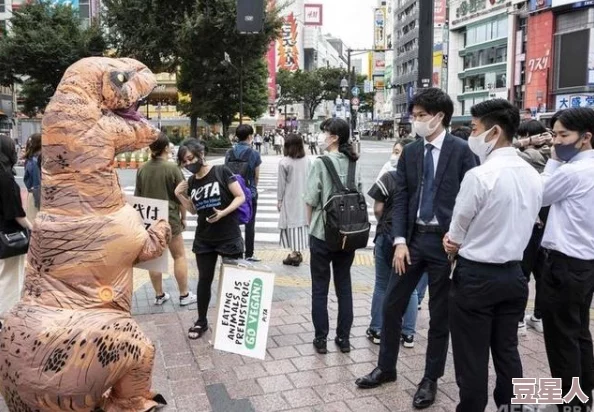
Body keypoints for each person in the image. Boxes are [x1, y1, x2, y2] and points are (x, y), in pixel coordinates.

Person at [355, 88, 477, 411]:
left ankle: (430, 378)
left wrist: (459, 242)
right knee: (392, 303)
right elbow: (402, 199)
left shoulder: (462, 152)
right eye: (415, 115)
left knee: (440, 314)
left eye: (421, 115)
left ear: (440, 117)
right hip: (412, 240)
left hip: (444, 243)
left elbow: (471, 201)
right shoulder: (410, 153)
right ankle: (386, 367)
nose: (417, 120)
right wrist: (398, 241)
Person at [443, 99, 543, 412]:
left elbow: (455, 234)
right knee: (507, 351)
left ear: (494, 131)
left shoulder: (480, 176)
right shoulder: (532, 175)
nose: (471, 135)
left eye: (474, 128)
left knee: (471, 358)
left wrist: (454, 243)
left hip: (476, 277)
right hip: (514, 275)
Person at [539, 107, 594, 412]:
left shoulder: (573, 171)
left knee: (561, 339)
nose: (556, 141)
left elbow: (540, 195)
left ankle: (569, 404)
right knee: (579, 333)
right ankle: (583, 395)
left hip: (564, 263)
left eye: (563, 135)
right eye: (555, 134)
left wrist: (553, 162)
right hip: (585, 264)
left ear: (586, 138)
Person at [175, 139, 245, 339]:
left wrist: (223, 213)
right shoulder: (192, 182)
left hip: (228, 235)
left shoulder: (221, 171)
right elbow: (195, 210)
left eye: (190, 158)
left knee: (234, 281)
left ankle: (234, 326)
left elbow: (240, 197)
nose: (188, 164)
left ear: (200, 154)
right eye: (184, 162)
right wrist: (179, 195)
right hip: (205, 238)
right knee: (204, 280)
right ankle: (201, 321)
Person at [304, 118, 362, 355]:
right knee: (344, 285)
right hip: (348, 233)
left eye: (325, 132)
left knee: (320, 287)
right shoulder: (353, 162)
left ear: (335, 137)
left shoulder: (320, 163)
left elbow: (310, 200)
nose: (322, 136)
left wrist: (311, 227)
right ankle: (344, 339)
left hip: (322, 232)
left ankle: (321, 339)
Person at [367, 137, 419, 348]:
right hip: (413, 238)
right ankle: (408, 333)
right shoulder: (422, 180)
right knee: (411, 287)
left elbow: (378, 208)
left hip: (388, 234)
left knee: (382, 284)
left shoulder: (389, 177)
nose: (395, 156)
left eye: (398, 152)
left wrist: (383, 224)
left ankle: (377, 329)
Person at [135, 132, 197, 307]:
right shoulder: (173, 169)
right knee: (179, 256)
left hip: (149, 220)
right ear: (165, 148)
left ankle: (159, 295)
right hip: (170, 219)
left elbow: (138, 197)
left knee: (154, 259)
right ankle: (184, 295)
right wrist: (183, 218)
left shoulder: (142, 169)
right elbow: (182, 197)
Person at [514, 119, 552, 335]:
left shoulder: (527, 157)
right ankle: (538, 316)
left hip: (530, 223)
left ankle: (519, 320)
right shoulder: (557, 157)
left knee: (522, 273)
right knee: (543, 274)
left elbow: (502, 150)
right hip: (548, 224)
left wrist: (525, 142)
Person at [0, 134, 32, 328]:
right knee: (9, 279)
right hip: (7, 237)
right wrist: (33, 227)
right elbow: (16, 213)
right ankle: (6, 318)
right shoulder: (5, 177)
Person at [225, 124, 262, 262]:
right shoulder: (254, 153)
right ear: (250, 136)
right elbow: (257, 176)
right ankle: (249, 254)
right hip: (249, 192)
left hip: (232, 192)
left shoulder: (229, 152)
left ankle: (234, 251)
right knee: (250, 224)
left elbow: (225, 172)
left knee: (232, 222)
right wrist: (253, 188)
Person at [277, 134, 310, 267]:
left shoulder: (284, 162)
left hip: (290, 197)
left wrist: (279, 200)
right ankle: (297, 252)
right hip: (305, 197)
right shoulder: (308, 160)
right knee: (302, 223)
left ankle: (294, 254)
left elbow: (281, 184)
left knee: (291, 224)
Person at [23, 133, 42, 220]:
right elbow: (38, 183)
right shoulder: (37, 159)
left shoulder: (29, 159)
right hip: (38, 197)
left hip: (32, 195)